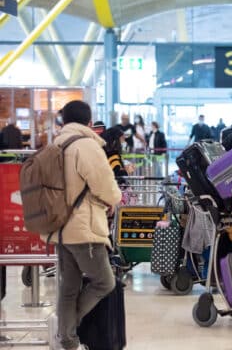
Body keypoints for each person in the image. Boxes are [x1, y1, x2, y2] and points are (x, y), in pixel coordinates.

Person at [53, 100, 122, 350]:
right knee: (104, 281)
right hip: (84, 227)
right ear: (90, 123)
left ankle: (67, 340)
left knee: (69, 287)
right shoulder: (86, 146)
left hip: (59, 228)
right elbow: (105, 186)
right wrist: (113, 200)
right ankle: (67, 330)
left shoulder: (56, 144)